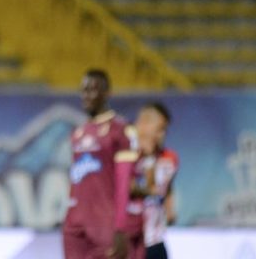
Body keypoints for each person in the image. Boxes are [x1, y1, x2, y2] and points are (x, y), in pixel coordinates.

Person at [63, 69, 142, 259]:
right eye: (84, 90)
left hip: (105, 224)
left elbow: (124, 183)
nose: (86, 95)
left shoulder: (121, 131)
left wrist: (121, 227)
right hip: (75, 226)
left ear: (107, 93)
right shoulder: (78, 133)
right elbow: (76, 182)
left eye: (93, 89)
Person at [134, 102, 178, 259]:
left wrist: (170, 208)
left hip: (156, 240)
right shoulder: (127, 156)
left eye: (165, 130)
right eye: (159, 129)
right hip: (131, 240)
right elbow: (148, 187)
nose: (162, 135)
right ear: (142, 125)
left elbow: (167, 187)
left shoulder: (170, 158)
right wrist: (147, 158)